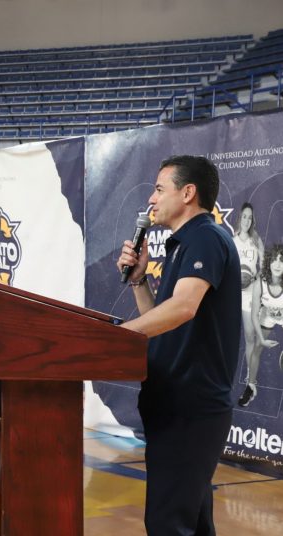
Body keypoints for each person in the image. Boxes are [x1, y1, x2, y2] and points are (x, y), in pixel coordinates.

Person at [116, 155, 240, 535]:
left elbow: (184, 307)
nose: (151, 199)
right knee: (193, 523)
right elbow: (165, 321)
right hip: (177, 404)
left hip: (190, 408)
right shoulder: (184, 243)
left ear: (188, 193)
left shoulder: (205, 238)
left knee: (168, 523)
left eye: (159, 189)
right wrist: (139, 280)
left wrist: (120, 336)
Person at [242, 243, 283, 406]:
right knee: (257, 347)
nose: (277, 264)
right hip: (268, 315)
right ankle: (251, 386)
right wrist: (262, 339)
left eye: (282, 260)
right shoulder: (261, 282)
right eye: (274, 260)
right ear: (269, 262)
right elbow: (254, 314)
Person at [233, 202, 265, 406]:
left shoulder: (256, 240)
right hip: (234, 293)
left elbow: (264, 266)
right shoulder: (232, 240)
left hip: (251, 293)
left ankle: (250, 379)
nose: (247, 220)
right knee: (229, 337)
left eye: (250, 217)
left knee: (251, 336)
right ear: (239, 218)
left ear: (253, 220)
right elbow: (226, 265)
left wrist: (255, 277)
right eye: (244, 216)